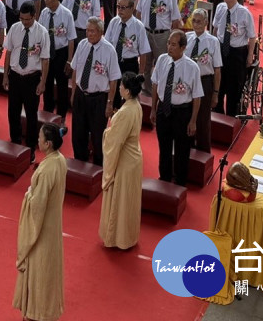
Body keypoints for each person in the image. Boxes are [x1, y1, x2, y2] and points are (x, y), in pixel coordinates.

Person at [14, 123, 66, 321]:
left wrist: (28, 196)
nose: (37, 140)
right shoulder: (60, 160)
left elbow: (37, 206)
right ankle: (48, 309)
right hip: (53, 224)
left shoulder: (45, 171)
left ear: (48, 143)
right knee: (49, 269)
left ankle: (38, 311)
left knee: (40, 270)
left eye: (40, 138)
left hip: (42, 229)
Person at [150, 29, 203, 186]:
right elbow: (155, 84)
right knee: (164, 148)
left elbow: (197, 96)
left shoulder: (192, 67)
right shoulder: (161, 60)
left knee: (182, 151)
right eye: (168, 43)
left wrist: (193, 121)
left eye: (173, 45)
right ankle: (164, 180)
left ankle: (180, 183)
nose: (169, 47)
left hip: (182, 113)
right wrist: (153, 108)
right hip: (163, 110)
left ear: (183, 47)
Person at [99, 72, 144, 250]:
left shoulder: (126, 111)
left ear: (126, 91)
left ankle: (118, 239)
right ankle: (128, 236)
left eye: (121, 86)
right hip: (133, 157)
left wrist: (106, 131)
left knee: (121, 200)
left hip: (124, 160)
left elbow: (115, 141)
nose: (119, 88)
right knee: (129, 200)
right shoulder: (136, 105)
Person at [69, 17, 120, 166]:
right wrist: (73, 93)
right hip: (81, 94)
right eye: (87, 31)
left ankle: (98, 166)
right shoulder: (82, 45)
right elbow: (75, 70)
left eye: (92, 31)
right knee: (78, 132)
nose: (89, 34)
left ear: (101, 32)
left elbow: (114, 79)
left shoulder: (109, 50)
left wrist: (109, 103)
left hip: (99, 98)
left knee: (98, 135)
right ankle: (79, 163)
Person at [3, 2, 50, 157]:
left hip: (32, 78)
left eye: (27, 19)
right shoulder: (15, 28)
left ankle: (31, 146)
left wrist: (43, 82)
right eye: (22, 19)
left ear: (34, 16)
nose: (24, 22)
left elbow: (45, 59)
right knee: (13, 111)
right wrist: (5, 76)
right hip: (15, 76)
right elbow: (8, 53)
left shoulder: (42, 32)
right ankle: (15, 142)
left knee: (31, 114)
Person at [212, 0, 256, 116]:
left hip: (237, 53)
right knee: (218, 84)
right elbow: (215, 28)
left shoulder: (244, 13)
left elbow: (252, 37)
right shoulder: (220, 7)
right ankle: (218, 113)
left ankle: (232, 116)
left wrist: (249, 56)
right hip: (220, 49)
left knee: (234, 87)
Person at [184, 9, 223, 151]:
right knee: (187, 115)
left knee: (203, 119)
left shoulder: (213, 42)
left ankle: (203, 152)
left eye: (199, 21)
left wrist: (216, 93)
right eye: (194, 20)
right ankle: (187, 149)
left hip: (205, 82)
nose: (196, 24)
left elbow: (217, 70)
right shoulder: (187, 38)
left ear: (206, 22)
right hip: (188, 82)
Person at [39, 0, 75, 116]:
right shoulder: (44, 13)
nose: (45, 0)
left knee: (62, 85)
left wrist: (69, 60)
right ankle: (47, 111)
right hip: (47, 53)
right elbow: (40, 34)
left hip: (61, 53)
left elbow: (71, 39)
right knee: (47, 82)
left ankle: (61, 114)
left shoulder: (66, 14)